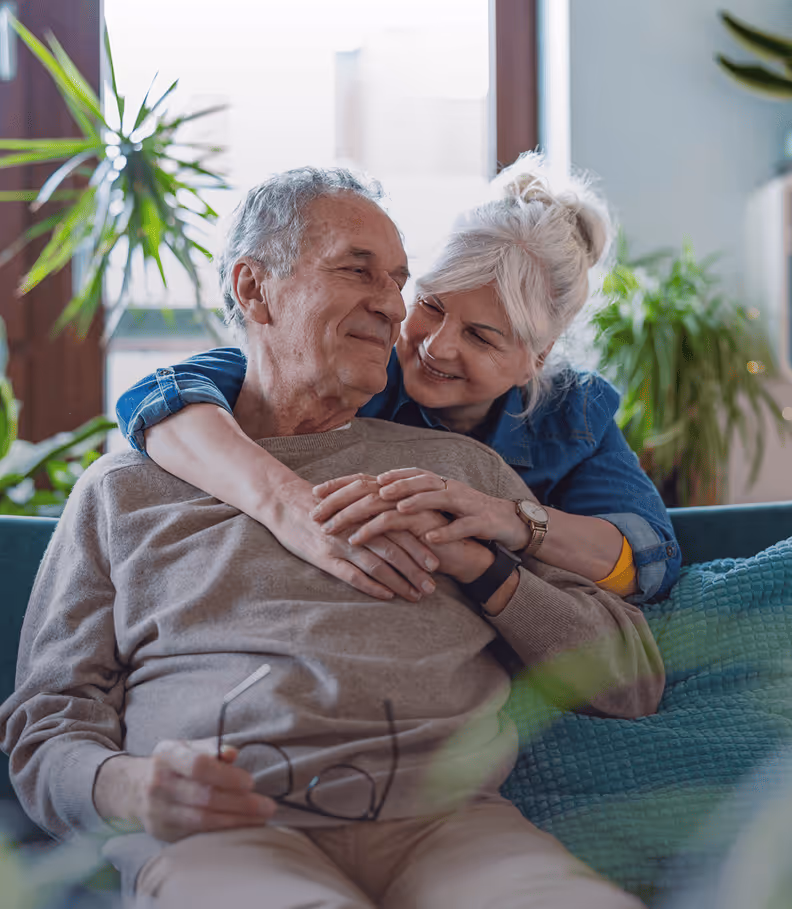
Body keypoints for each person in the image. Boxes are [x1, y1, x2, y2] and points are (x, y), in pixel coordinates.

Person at [0, 168, 663, 909]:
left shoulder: (463, 474)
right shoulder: (127, 487)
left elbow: (633, 674)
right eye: (359, 271)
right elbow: (47, 721)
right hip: (226, 837)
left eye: (399, 279)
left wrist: (488, 569)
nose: (393, 306)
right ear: (254, 290)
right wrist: (131, 787)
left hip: (450, 829)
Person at [115, 151, 680, 612]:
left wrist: (508, 518)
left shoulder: (572, 414)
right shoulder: (361, 365)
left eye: (482, 337)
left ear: (537, 356)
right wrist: (287, 504)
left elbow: (649, 559)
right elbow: (160, 400)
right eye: (431, 307)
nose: (436, 345)